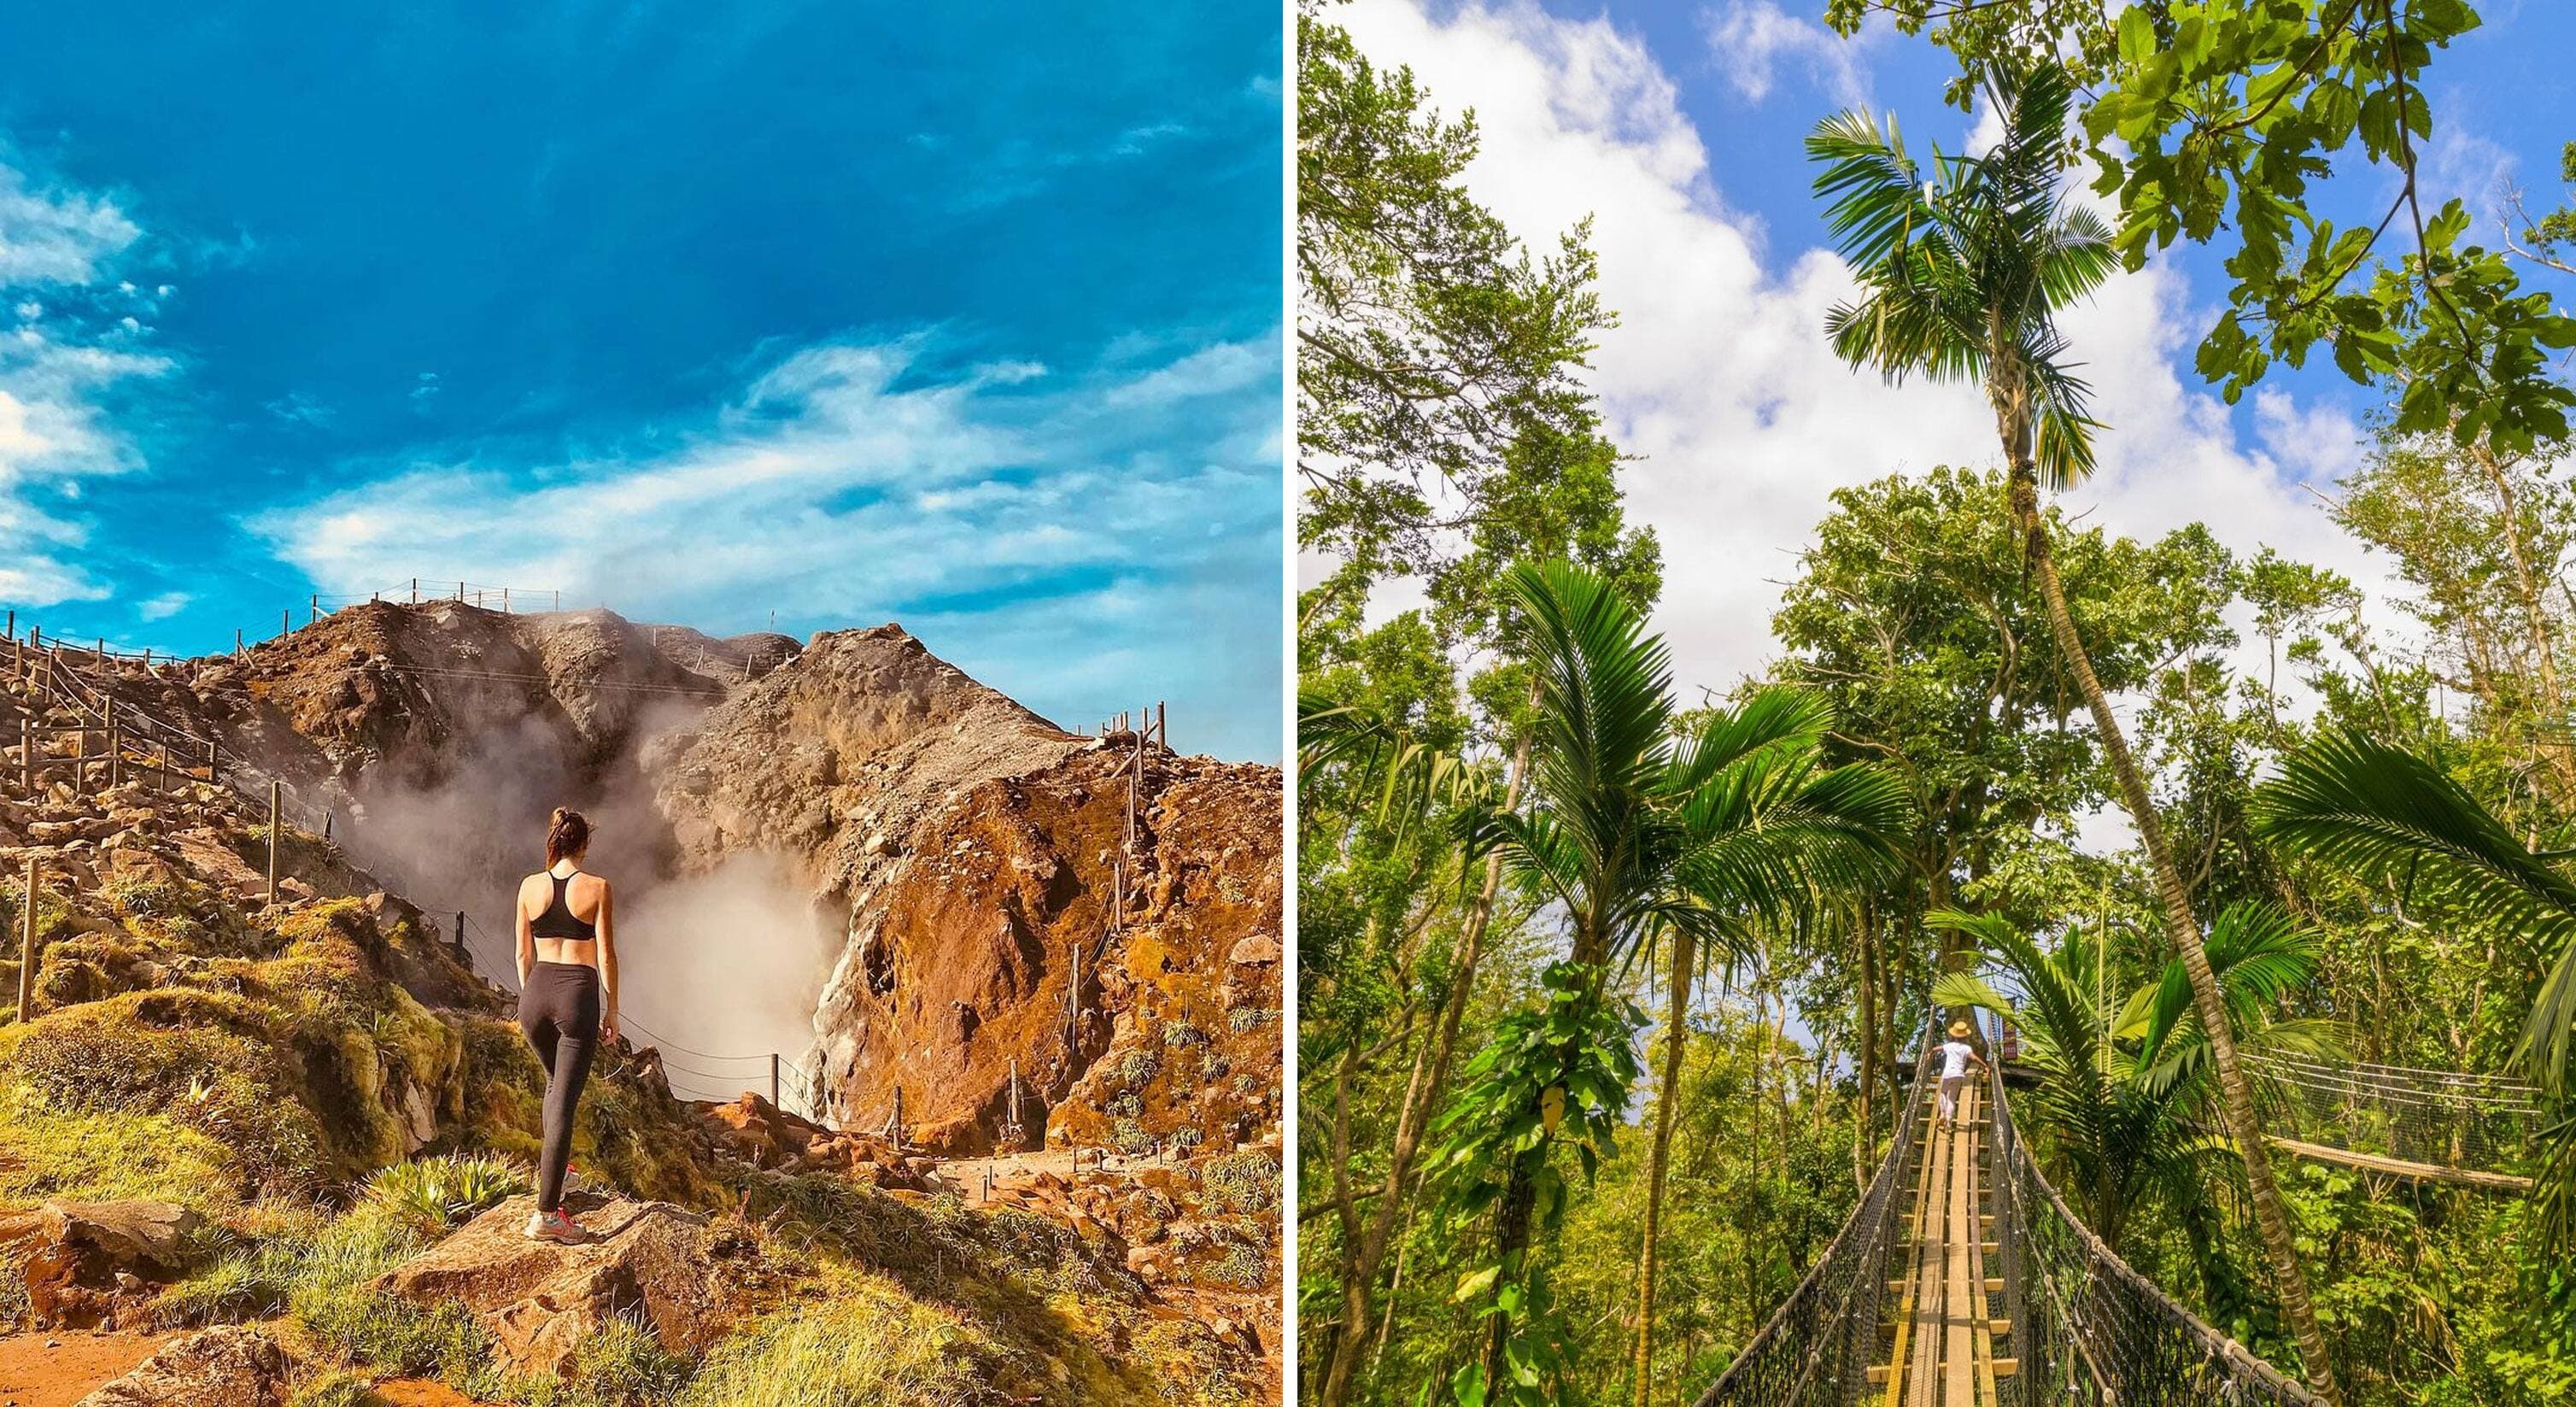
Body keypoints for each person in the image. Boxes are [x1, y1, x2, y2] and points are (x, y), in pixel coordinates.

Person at [514, 806, 619, 1243]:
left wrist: (534, 993)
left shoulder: (528, 886)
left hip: (534, 995)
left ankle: (560, 1177)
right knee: (564, 1101)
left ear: (553, 841)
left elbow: (523, 955)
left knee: (554, 1085)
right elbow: (607, 955)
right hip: (577, 994)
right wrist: (612, 1009)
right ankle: (547, 1216)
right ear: (583, 845)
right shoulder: (597, 888)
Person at [1935, 1019, 1987, 1129]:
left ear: (1954, 1036)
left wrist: (1930, 1053)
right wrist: (1985, 1066)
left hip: (1948, 1073)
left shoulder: (1949, 1046)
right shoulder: (1966, 1048)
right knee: (1952, 1098)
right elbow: (1974, 1058)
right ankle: (1948, 1121)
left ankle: (1943, 1113)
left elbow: (1937, 1049)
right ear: (1965, 1037)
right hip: (1959, 1075)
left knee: (1943, 1093)